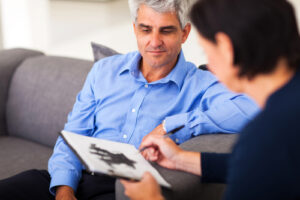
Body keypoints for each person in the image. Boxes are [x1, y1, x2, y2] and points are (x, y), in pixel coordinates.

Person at [0, 0, 258, 200]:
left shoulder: (200, 84)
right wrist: (64, 190)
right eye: (146, 29)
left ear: (185, 33)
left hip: (124, 190)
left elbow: (253, 109)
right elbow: (73, 135)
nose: (154, 42)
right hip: (69, 180)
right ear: (135, 29)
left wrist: (174, 125)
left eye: (166, 31)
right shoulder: (104, 71)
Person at [121, 0, 300, 199]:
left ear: (226, 48)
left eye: (207, 51)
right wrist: (181, 159)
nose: (210, 66)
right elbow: (261, 165)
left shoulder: (266, 134)